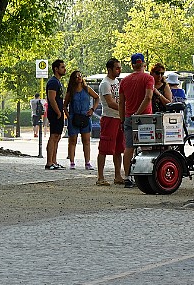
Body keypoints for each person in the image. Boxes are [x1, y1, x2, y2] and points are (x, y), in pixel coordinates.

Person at [118, 52, 155, 188]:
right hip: (145, 118)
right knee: (147, 147)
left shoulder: (124, 81)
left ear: (132, 65)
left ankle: (127, 177)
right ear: (143, 64)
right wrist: (138, 113)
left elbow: (121, 103)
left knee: (128, 147)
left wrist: (123, 120)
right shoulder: (148, 78)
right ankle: (146, 175)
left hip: (128, 118)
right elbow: (148, 97)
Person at [97, 58, 125, 186]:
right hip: (109, 118)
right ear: (109, 69)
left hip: (119, 118)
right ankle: (100, 177)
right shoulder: (105, 84)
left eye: (119, 67)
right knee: (104, 148)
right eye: (117, 68)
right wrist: (123, 108)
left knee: (119, 148)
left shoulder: (117, 82)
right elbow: (110, 102)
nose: (119, 70)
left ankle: (118, 176)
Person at [64, 70, 100, 170]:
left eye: (80, 76)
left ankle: (87, 162)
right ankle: (72, 162)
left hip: (85, 117)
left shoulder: (87, 89)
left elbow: (97, 97)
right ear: (73, 79)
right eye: (76, 76)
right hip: (74, 117)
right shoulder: (71, 91)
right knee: (73, 140)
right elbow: (65, 105)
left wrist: (92, 109)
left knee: (86, 140)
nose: (79, 78)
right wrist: (69, 116)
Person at [45, 59, 68, 170]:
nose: (64, 69)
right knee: (53, 136)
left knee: (57, 137)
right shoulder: (53, 82)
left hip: (58, 113)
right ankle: (49, 162)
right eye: (62, 67)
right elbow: (51, 98)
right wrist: (58, 112)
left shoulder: (58, 82)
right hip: (54, 113)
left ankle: (54, 161)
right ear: (56, 69)